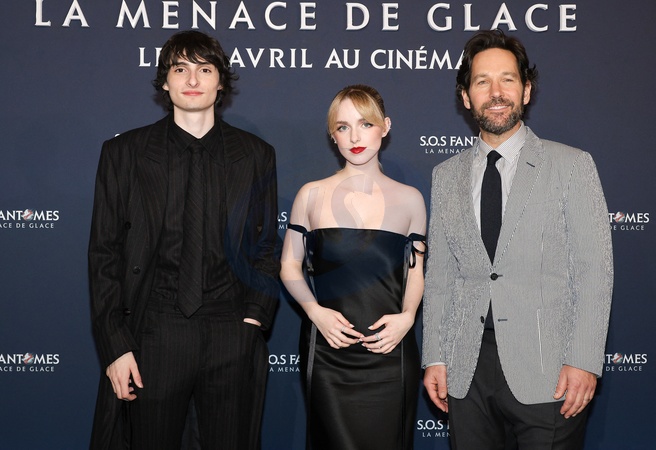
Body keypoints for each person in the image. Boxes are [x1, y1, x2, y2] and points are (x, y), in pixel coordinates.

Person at [88, 30, 280, 450]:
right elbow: (104, 253)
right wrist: (115, 346)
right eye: (180, 69)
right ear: (165, 81)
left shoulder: (256, 154)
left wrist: (253, 319)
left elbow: (265, 245)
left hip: (230, 331)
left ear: (221, 82)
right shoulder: (124, 154)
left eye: (205, 69)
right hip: (154, 331)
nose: (192, 79)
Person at [422, 29, 613, 449]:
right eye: (482, 81)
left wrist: (584, 359)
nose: (496, 92)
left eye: (507, 79)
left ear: (526, 90)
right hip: (466, 370)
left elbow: (594, 271)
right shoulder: (445, 176)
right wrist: (435, 355)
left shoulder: (571, 165)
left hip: (550, 370)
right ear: (466, 97)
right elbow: (440, 278)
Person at [280, 84, 426, 450]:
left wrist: (408, 317)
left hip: (390, 350)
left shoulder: (410, 200)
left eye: (365, 124)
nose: (355, 137)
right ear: (333, 135)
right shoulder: (310, 194)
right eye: (343, 127)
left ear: (385, 127)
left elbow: (415, 272)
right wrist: (315, 312)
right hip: (328, 351)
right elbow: (289, 265)